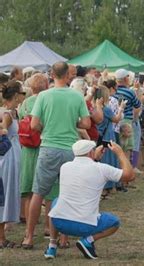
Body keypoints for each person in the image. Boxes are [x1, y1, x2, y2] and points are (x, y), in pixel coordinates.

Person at [22, 61, 91, 253]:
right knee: (65, 194)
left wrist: (48, 127)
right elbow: (86, 123)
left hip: (48, 148)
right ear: (68, 75)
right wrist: (71, 122)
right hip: (70, 150)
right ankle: (63, 236)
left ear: (52, 74)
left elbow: (34, 125)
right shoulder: (76, 96)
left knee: (38, 193)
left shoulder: (44, 96)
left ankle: (29, 236)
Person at [48, 140, 135, 259]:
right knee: (114, 222)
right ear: (90, 152)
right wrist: (120, 153)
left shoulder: (65, 167)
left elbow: (84, 172)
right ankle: (88, 240)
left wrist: (94, 157)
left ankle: (52, 245)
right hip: (85, 226)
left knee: (56, 202)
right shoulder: (101, 168)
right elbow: (129, 176)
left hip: (60, 223)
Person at [0, 81, 22, 248]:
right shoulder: (7, 114)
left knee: (7, 191)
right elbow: (3, 130)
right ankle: (1, 237)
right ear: (15, 96)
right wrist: (5, 132)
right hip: (7, 156)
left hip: (13, 154)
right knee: (4, 193)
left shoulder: (13, 112)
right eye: (21, 94)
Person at [113, 69, 142, 163]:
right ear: (126, 79)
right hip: (126, 120)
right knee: (127, 147)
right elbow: (137, 105)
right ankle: (126, 168)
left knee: (117, 145)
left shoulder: (113, 91)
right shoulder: (129, 92)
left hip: (114, 120)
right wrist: (136, 91)